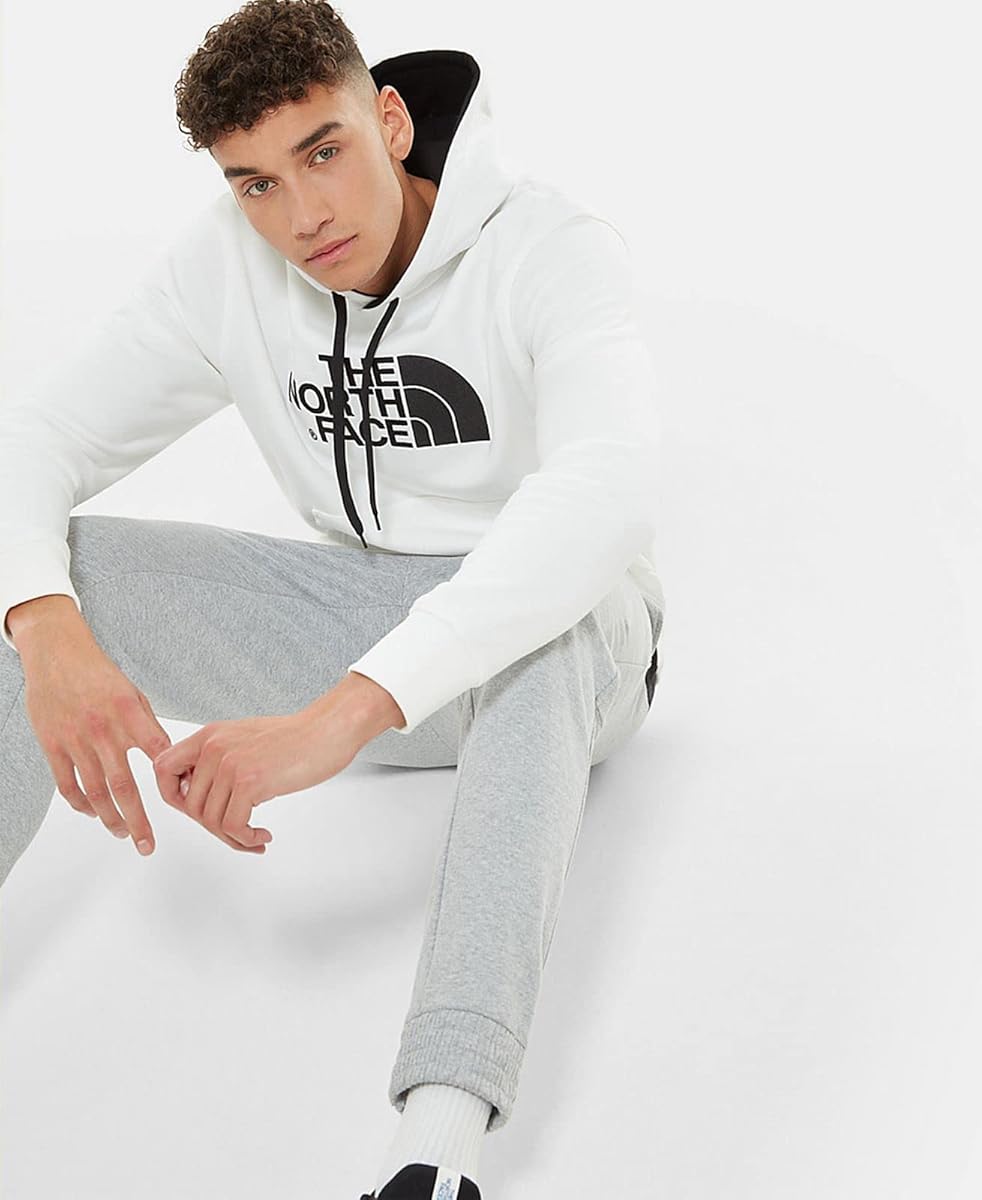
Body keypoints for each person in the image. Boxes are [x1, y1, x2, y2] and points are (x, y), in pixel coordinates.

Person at [0, 1, 666, 1196]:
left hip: (572, 648)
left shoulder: (550, 251)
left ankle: (438, 1151)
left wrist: (343, 714)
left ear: (390, 121)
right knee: (41, 580)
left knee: (551, 631)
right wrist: (47, 630)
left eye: (324, 152)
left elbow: (600, 500)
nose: (302, 215)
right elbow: (35, 439)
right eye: (255, 183)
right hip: (360, 612)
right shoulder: (228, 265)